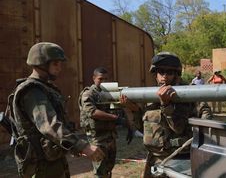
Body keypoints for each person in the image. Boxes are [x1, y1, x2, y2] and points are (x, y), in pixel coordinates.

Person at [8, 42, 104, 177]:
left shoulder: (45, 88)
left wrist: (72, 146)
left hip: (51, 159)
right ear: (41, 63)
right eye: (55, 64)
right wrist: (82, 145)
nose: (60, 68)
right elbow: (49, 125)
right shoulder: (32, 91)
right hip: (41, 165)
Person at [120, 52, 212, 177]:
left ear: (176, 75)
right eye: (161, 72)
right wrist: (134, 110)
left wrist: (167, 105)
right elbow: (146, 129)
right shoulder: (153, 95)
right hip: (154, 160)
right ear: (155, 74)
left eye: (169, 72)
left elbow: (178, 128)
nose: (164, 76)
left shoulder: (185, 96)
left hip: (178, 160)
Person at [79, 67, 132, 178]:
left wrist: (129, 126)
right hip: (97, 137)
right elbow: (92, 112)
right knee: (100, 170)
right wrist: (115, 118)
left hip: (110, 136)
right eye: (100, 79)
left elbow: (119, 109)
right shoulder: (88, 93)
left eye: (106, 79)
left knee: (108, 168)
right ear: (94, 78)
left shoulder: (110, 93)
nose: (103, 82)